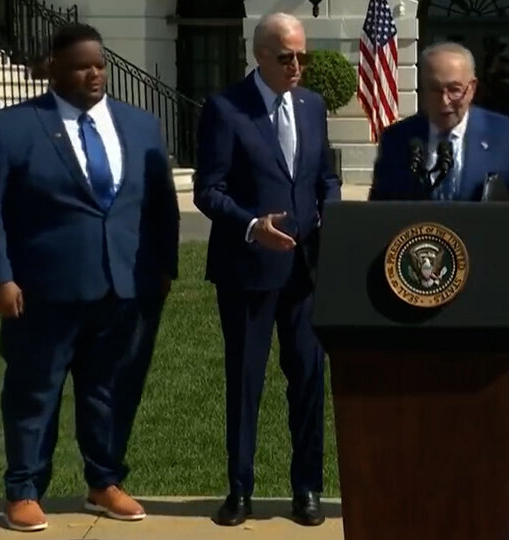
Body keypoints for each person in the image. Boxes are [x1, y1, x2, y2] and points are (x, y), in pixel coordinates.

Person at [0, 23, 179, 532]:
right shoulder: (12, 128)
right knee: (34, 392)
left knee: (111, 390)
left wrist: (163, 267)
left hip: (125, 287)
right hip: (40, 291)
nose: (94, 74)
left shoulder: (141, 126)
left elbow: (161, 206)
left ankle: (104, 482)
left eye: (100, 64)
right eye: (82, 66)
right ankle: (23, 489)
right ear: (54, 69)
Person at [369, 41, 509, 540]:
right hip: (414, 313)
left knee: (493, 427)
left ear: (472, 87)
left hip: (489, 310)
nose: (446, 99)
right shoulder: (398, 141)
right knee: (421, 426)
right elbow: (377, 221)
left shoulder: (508, 135)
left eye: (456, 89)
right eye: (435, 89)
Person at [193, 11, 341, 528]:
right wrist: (252, 225)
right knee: (245, 382)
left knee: (307, 379)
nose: (297, 65)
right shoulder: (225, 109)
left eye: (303, 55)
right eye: (286, 57)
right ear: (259, 55)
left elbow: (324, 176)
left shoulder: (313, 105)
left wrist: (332, 209)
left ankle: (307, 490)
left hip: (305, 270)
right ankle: (239, 489)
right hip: (247, 270)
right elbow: (208, 190)